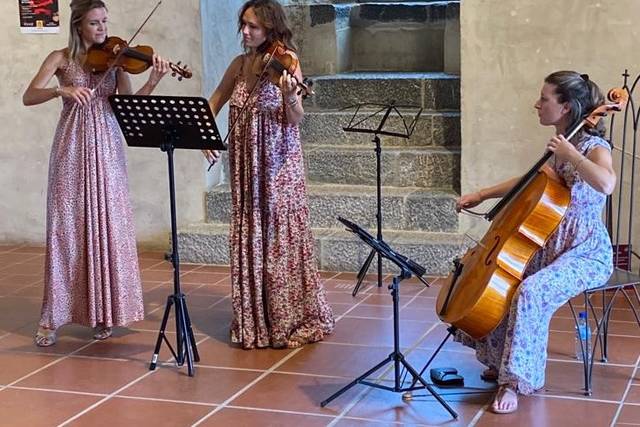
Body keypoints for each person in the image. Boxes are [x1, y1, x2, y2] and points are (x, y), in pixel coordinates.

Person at [455, 71, 616, 414]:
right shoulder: (561, 142)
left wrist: (572, 155)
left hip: (584, 252)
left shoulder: (592, 147)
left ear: (568, 107)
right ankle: (500, 359)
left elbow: (606, 184)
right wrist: (481, 194)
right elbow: (530, 179)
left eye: (545, 99)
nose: (537, 104)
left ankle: (516, 381)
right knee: (502, 278)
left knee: (532, 291)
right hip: (547, 244)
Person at [23, 0, 170, 346]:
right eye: (94, 23)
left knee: (106, 228)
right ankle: (53, 317)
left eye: (104, 21)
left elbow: (130, 107)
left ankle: (103, 312)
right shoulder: (60, 58)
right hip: (71, 149)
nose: (102, 29)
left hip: (107, 150)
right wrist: (62, 89)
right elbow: (29, 96)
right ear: (78, 26)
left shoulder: (117, 60)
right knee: (67, 230)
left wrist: (155, 79)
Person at [205, 0, 334, 349]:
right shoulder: (239, 64)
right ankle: (255, 316)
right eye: (243, 24)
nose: (246, 32)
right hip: (246, 165)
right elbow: (214, 101)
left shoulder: (287, 61)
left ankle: (286, 316)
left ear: (271, 29)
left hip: (278, 164)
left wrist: (292, 96)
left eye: (254, 27)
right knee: (252, 232)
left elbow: (295, 119)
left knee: (278, 236)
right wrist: (207, 137)